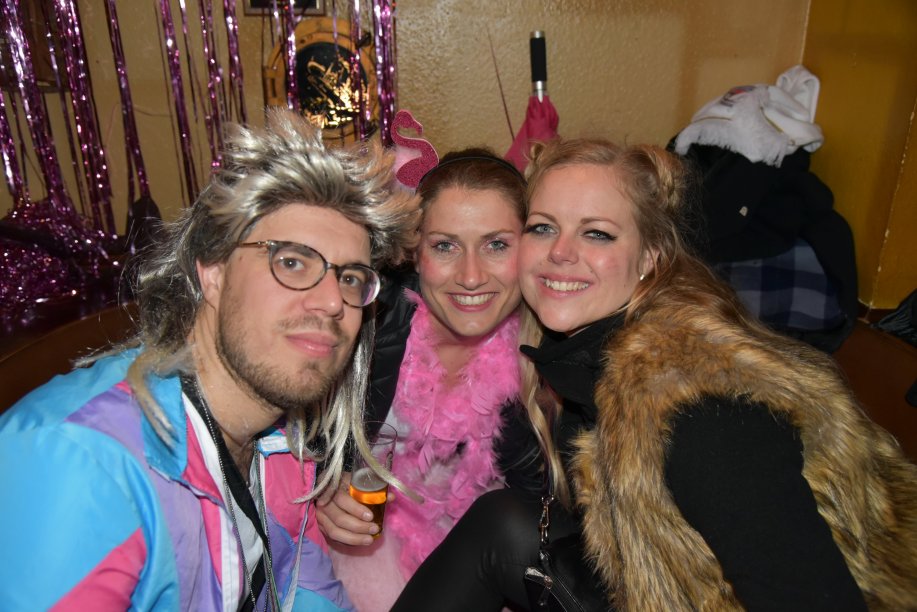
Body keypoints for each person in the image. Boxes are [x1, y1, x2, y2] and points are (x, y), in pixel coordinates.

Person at [393, 137, 917, 610]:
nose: (560, 253)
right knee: (503, 520)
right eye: (544, 227)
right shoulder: (577, 364)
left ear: (649, 258)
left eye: (597, 234)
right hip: (637, 585)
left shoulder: (701, 409)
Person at [0, 108, 420, 611]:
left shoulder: (283, 449)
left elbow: (309, 596)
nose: (333, 301)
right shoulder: (82, 465)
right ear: (213, 272)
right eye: (291, 261)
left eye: (350, 277)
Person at [315, 150, 532, 611]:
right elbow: (292, 422)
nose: (471, 276)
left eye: (496, 245)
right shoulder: (370, 319)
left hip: (474, 553)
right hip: (366, 543)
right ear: (416, 253)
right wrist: (321, 482)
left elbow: (542, 500)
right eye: (445, 246)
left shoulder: (543, 352)